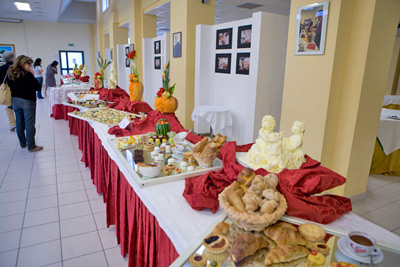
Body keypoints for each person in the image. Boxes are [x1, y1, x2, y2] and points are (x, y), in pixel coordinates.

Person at [7, 55, 43, 152]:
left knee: (19, 122)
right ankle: (31, 146)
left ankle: (23, 143)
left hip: (15, 101)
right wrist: (33, 75)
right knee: (29, 123)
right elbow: (37, 87)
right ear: (24, 63)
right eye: (29, 64)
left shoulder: (11, 72)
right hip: (27, 101)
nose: (30, 66)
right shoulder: (27, 74)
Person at [0, 51, 17, 131]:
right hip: (17, 90)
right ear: (13, 58)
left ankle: (12, 123)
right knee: (18, 107)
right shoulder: (16, 68)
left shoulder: (2, 68)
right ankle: (20, 121)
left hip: (7, 90)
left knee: (8, 107)